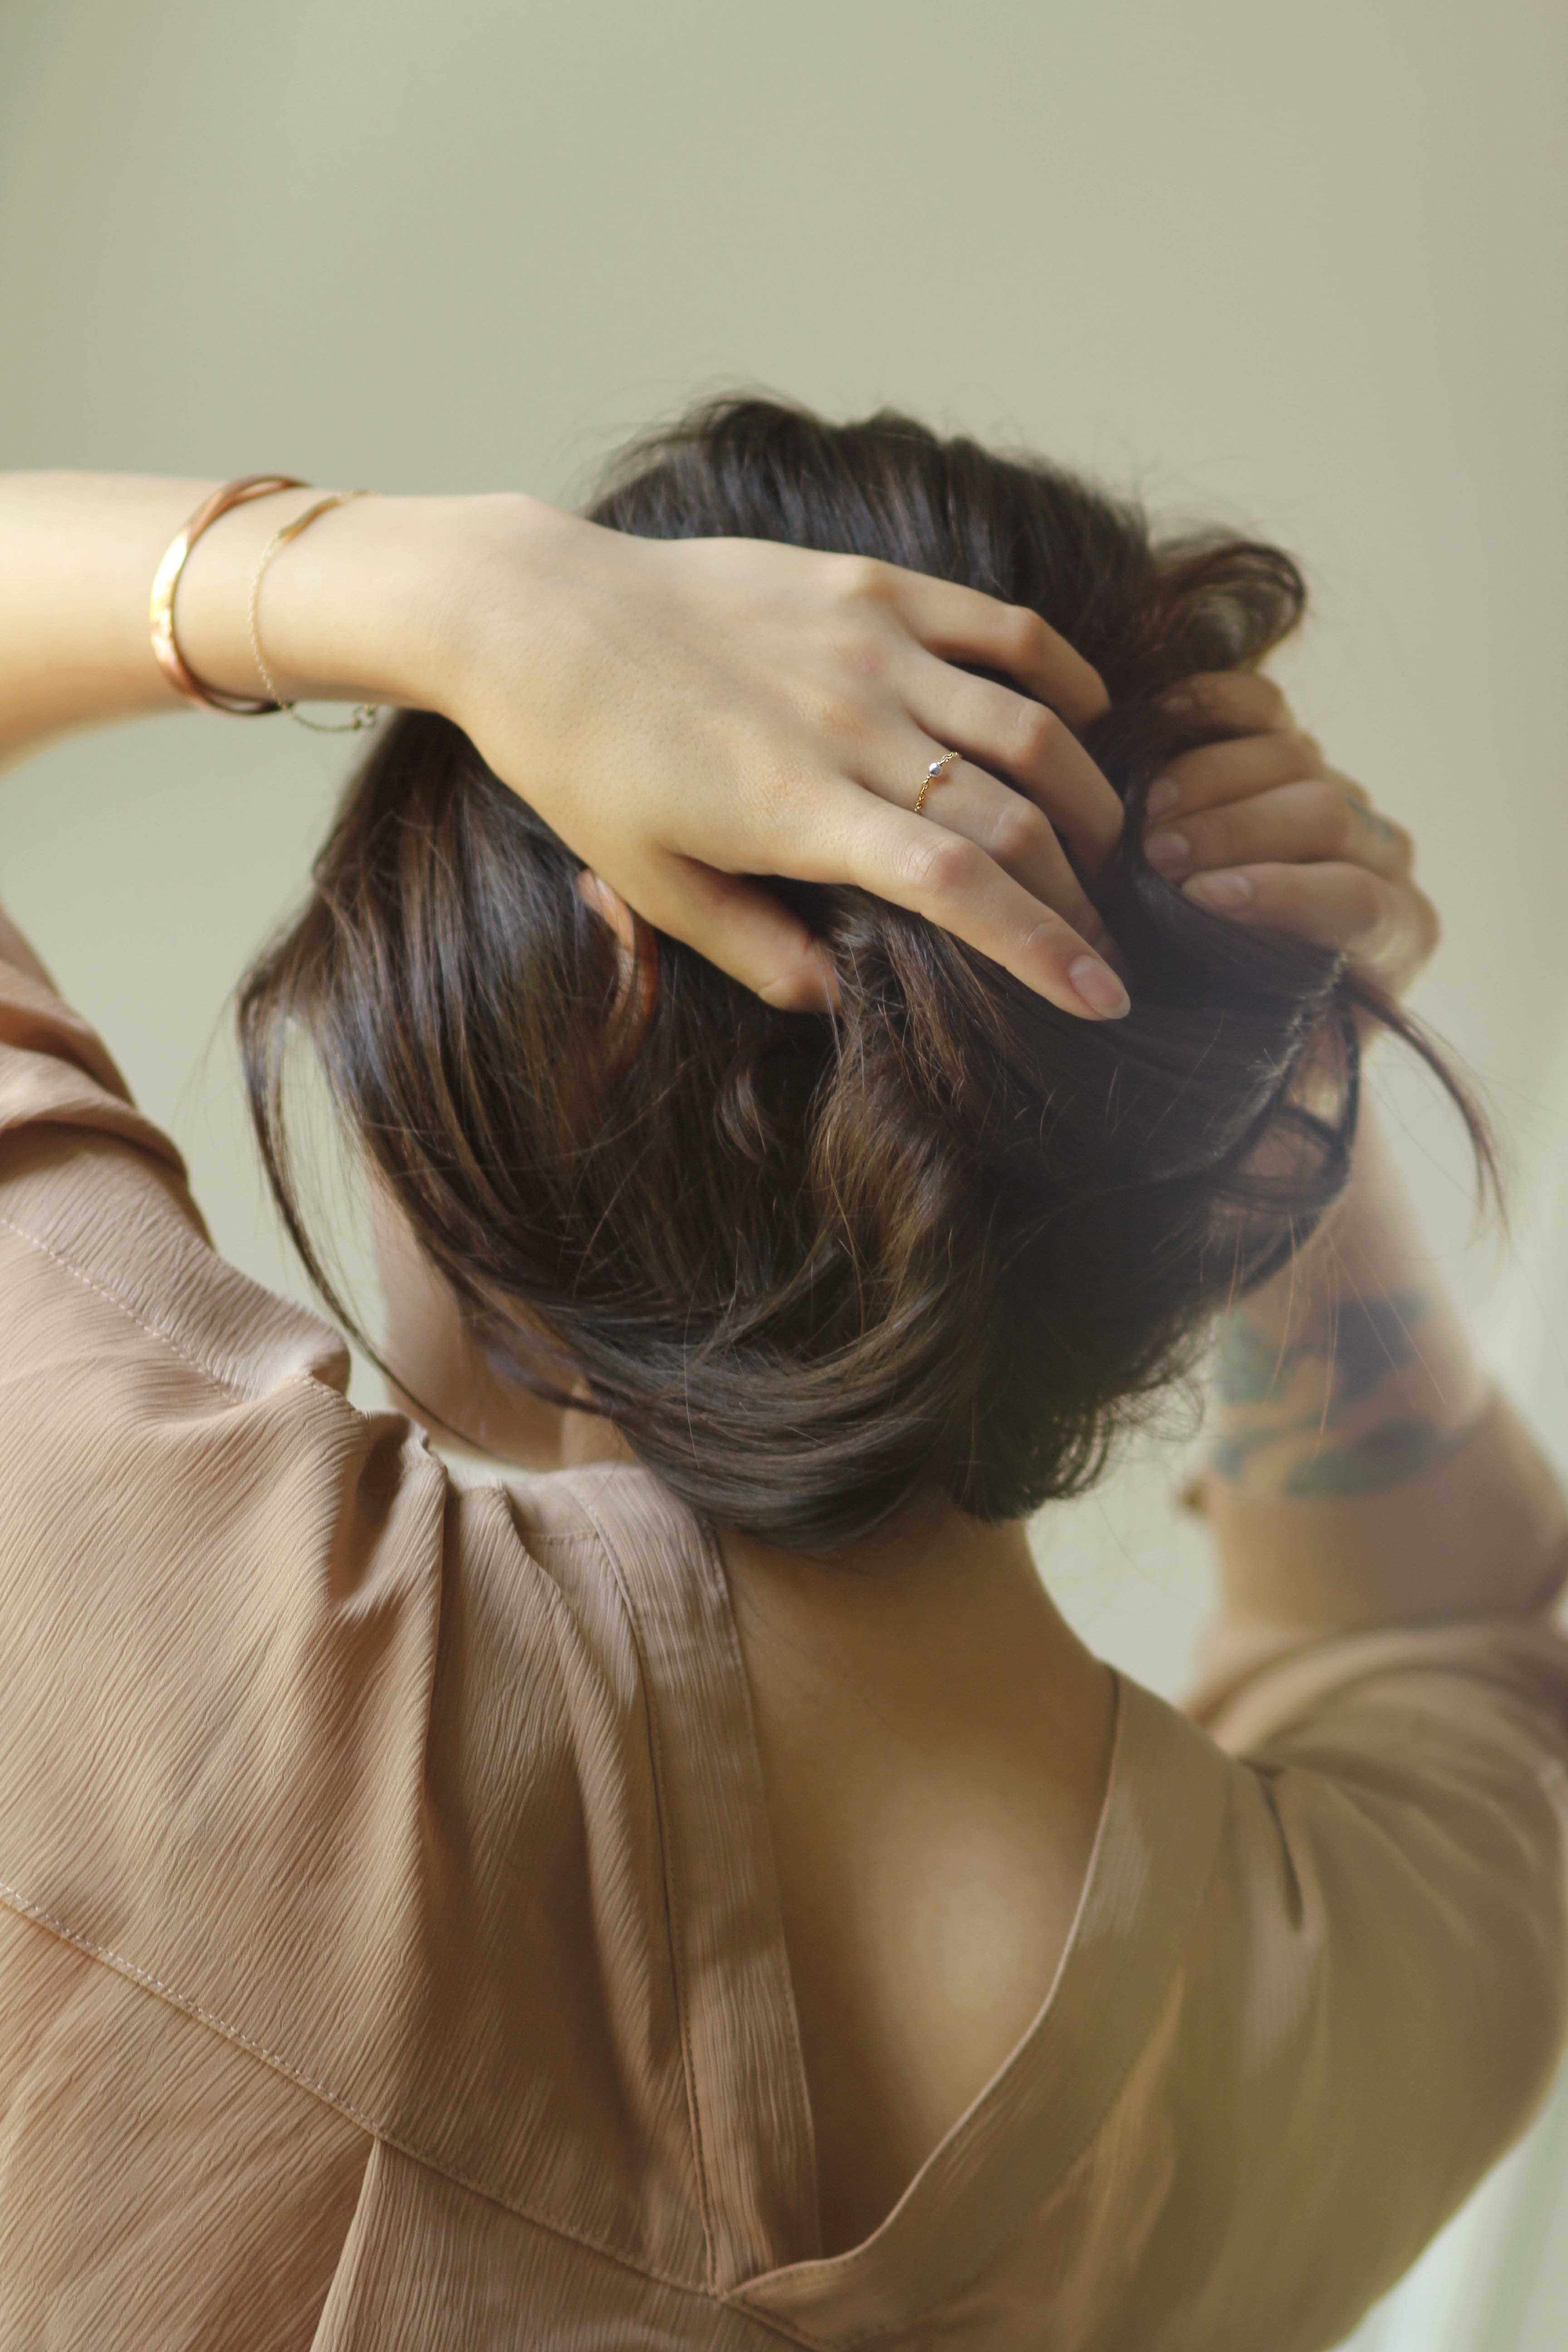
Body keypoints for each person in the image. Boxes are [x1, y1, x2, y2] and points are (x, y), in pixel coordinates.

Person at [0, 400, 1563, 2351]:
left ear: (606, 992)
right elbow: (1452, 1635)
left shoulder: (178, 1603)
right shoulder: (1297, 2044)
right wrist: (1265, 1039)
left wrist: (447, 589)